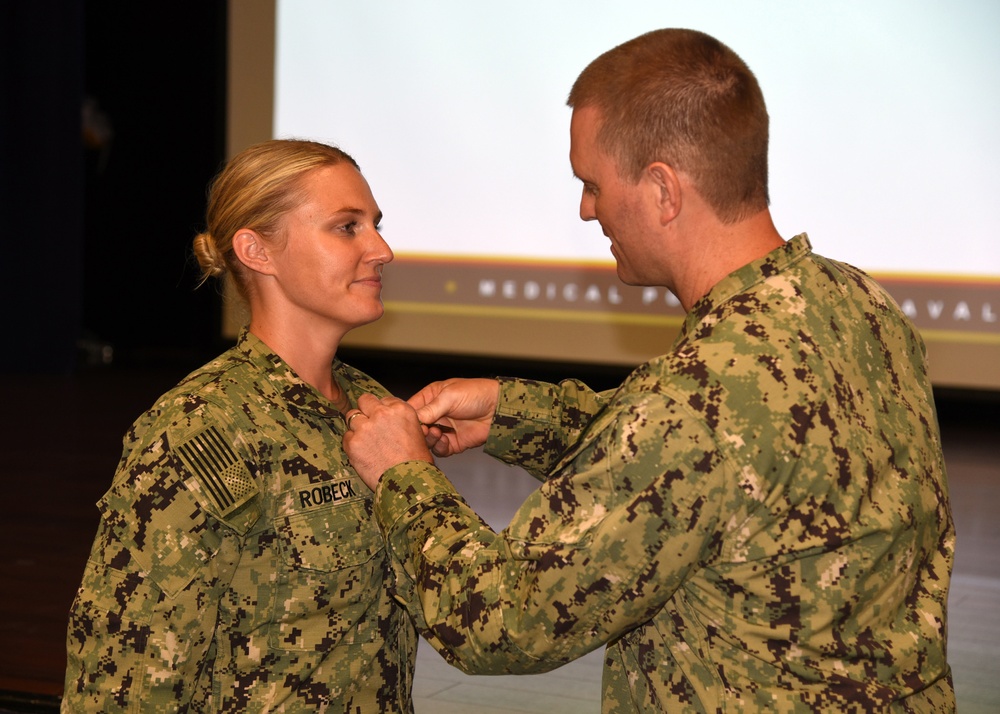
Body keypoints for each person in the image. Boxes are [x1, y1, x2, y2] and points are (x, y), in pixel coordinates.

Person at [342, 29, 956, 712]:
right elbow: (734, 458)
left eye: (593, 184)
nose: (587, 208)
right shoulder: (856, 301)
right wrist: (511, 412)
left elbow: (505, 621)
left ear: (663, 189)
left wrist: (404, 478)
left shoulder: (694, 403)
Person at [62, 139, 418, 712]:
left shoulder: (375, 409)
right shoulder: (202, 429)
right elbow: (123, 684)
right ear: (257, 251)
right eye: (347, 227)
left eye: (375, 224)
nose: (382, 249)